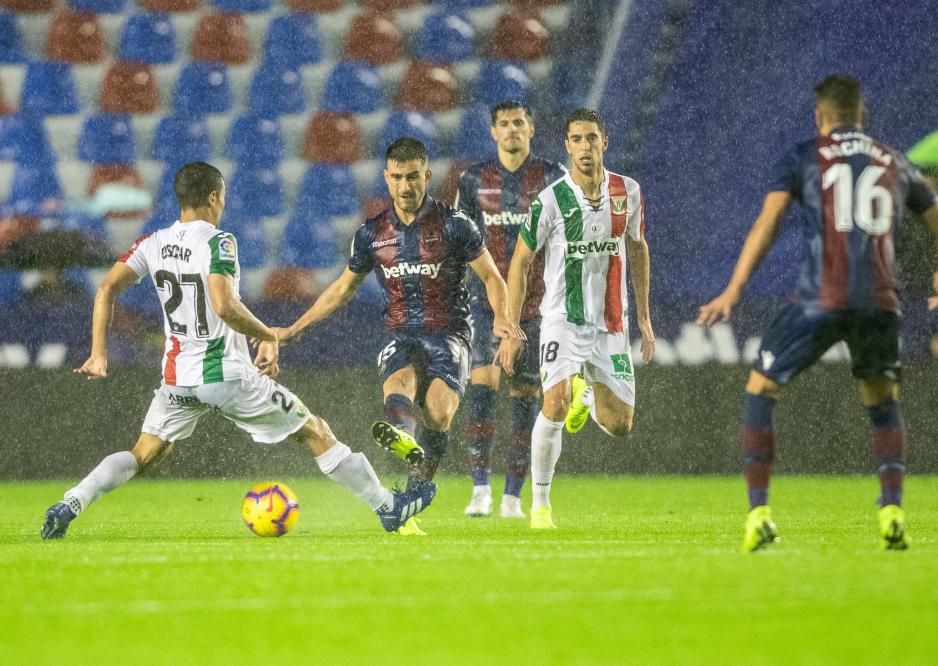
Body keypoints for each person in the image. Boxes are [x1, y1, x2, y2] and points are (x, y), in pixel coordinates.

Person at [41, 162, 434, 540]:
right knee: (313, 429)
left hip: (178, 378)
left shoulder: (153, 242)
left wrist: (98, 353)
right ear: (214, 197)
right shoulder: (219, 241)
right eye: (222, 197)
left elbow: (106, 288)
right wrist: (269, 335)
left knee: (143, 453)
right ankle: (387, 506)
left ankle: (71, 502)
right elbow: (224, 305)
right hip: (226, 375)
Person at [696, 75, 938, 552]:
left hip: (819, 299)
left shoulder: (805, 156)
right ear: (864, 114)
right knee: (882, 402)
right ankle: (892, 512)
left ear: (820, 117)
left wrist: (733, 290)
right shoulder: (898, 162)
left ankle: (758, 513)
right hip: (880, 303)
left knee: (762, 387)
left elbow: (769, 222)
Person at [273, 138, 522, 536]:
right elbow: (341, 289)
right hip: (401, 332)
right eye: (397, 178)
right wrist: (293, 329)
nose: (406, 186)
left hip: (450, 333)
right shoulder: (372, 234)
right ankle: (404, 439)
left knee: (439, 413)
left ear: (427, 176)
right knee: (398, 385)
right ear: (386, 179)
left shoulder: (455, 225)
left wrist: (503, 321)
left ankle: (413, 492)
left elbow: (492, 277)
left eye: (413, 177)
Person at [497, 108, 656, 529]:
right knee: (553, 403)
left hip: (612, 323)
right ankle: (541, 506)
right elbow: (520, 262)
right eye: (577, 140)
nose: (585, 147)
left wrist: (643, 315)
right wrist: (512, 326)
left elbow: (637, 248)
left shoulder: (629, 191)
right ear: (566, 146)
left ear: (605, 141)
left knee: (620, 425)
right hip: (562, 320)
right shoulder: (550, 201)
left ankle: (584, 394)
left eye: (592, 138)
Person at [453, 100, 566, 519]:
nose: (512, 130)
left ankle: (513, 497)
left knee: (525, 395)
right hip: (486, 305)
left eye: (519, 122)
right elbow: (459, 240)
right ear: (493, 132)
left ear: (531, 129)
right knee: (482, 387)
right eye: (504, 124)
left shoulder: (554, 177)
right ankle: (480, 489)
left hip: (538, 308)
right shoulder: (473, 179)